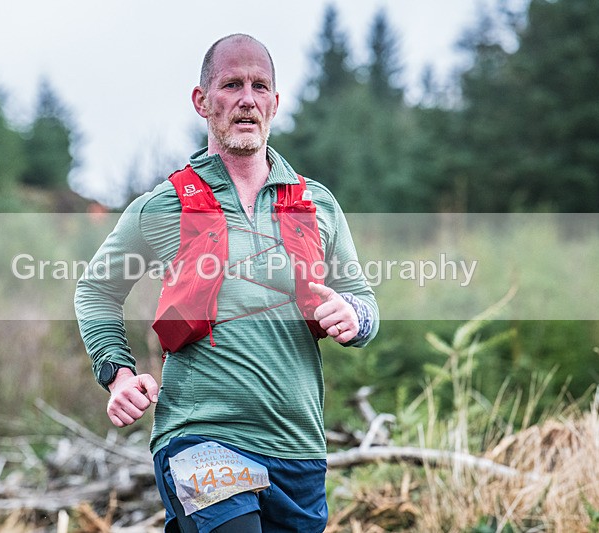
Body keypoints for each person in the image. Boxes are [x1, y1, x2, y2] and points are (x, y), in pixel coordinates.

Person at [75, 33, 378, 533]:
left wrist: (354, 315)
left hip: (299, 448)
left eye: (260, 87)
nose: (246, 99)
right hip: (201, 439)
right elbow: (96, 291)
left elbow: (364, 303)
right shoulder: (163, 205)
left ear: (275, 104)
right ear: (202, 101)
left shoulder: (317, 205)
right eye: (231, 85)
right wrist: (120, 375)